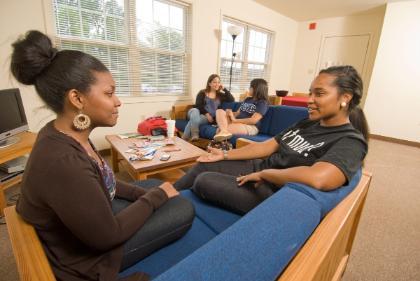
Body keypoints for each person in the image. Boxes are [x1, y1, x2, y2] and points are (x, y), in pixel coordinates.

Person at [10, 30, 194, 281]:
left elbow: (102, 178)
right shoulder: (63, 161)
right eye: (109, 93)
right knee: (182, 207)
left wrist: (151, 194)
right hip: (84, 255)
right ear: (77, 98)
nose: (118, 101)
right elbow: (108, 236)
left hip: (81, 223)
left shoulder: (65, 133)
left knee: (151, 185)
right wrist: (157, 198)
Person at [174, 65, 369, 215]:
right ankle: (161, 198)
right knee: (203, 165)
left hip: (272, 190)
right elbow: (268, 146)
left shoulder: (351, 141)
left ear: (345, 97)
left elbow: (318, 178)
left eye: (319, 93)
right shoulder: (307, 123)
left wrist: (267, 174)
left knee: (204, 181)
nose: (310, 99)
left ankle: (163, 203)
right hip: (261, 168)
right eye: (310, 92)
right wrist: (225, 154)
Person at [182, 74, 234, 141]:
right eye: (214, 82)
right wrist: (207, 114)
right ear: (209, 83)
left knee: (195, 120)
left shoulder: (220, 95)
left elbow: (231, 99)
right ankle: (195, 134)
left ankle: (184, 138)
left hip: (204, 118)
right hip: (195, 112)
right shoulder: (202, 92)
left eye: (218, 82)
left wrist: (224, 89)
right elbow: (198, 105)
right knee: (195, 111)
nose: (217, 84)